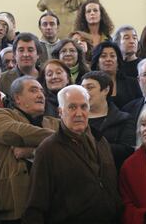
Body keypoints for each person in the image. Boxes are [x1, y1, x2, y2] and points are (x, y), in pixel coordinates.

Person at [23, 85, 122, 223]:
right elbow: (35, 207)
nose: (79, 113)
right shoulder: (48, 150)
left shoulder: (101, 141)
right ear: (60, 111)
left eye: (83, 107)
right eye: (72, 107)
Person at [0, 76, 59, 223]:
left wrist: (32, 152)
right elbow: (14, 133)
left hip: (54, 206)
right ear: (18, 98)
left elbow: (73, 148)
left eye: (41, 91)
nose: (41, 95)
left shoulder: (55, 123)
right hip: (16, 207)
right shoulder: (1, 115)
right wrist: (60, 139)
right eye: (33, 90)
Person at [81, 71, 136, 171]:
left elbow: (127, 150)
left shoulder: (124, 119)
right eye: (82, 88)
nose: (84, 92)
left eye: (89, 87)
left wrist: (88, 147)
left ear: (106, 90)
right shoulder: (76, 119)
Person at [91, 41, 142, 109]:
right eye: (103, 56)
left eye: (112, 56)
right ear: (97, 62)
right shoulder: (89, 84)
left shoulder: (133, 84)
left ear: (118, 62)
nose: (108, 59)